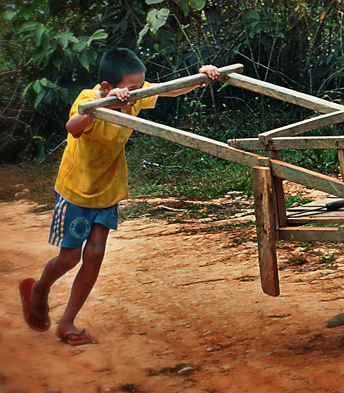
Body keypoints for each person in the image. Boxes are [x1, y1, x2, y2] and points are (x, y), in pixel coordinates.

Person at [19, 47, 219, 345]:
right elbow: (72, 126)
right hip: (77, 189)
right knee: (70, 257)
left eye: (140, 88)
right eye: (132, 89)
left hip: (108, 187)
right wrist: (100, 105)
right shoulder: (90, 98)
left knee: (96, 254)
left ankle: (66, 321)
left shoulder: (135, 96)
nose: (137, 95)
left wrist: (202, 77)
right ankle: (39, 290)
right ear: (107, 87)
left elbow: (171, 90)